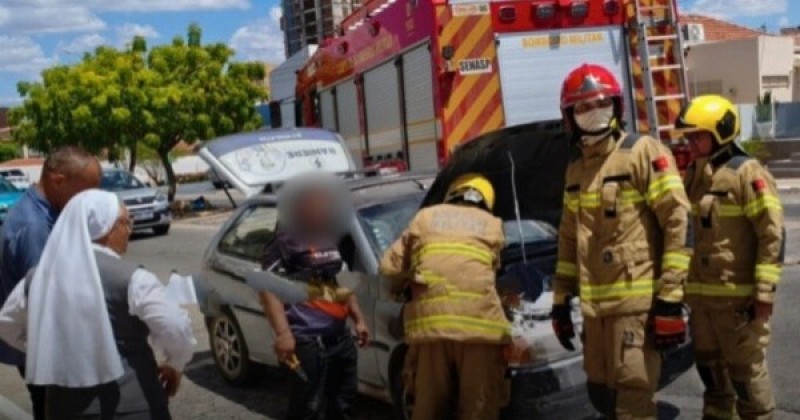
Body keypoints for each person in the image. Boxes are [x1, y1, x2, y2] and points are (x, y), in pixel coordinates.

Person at [551, 63, 691, 419]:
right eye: (582, 107)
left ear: (616, 107)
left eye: (600, 103)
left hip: (636, 310)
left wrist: (670, 299)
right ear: (570, 116)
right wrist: (560, 300)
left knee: (633, 401)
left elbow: (680, 221)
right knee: (601, 397)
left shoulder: (644, 152)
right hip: (595, 316)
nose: (592, 113)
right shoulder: (574, 170)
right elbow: (569, 240)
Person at [0, 189, 195, 419]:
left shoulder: (38, 278)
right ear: (105, 228)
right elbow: (176, 327)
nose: (129, 229)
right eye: (124, 221)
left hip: (63, 408)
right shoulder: (132, 278)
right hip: (132, 405)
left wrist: (48, 349)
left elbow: (7, 324)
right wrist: (175, 364)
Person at [675, 95, 783, 420]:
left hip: (739, 307)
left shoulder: (746, 174)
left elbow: (772, 234)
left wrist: (764, 294)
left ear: (721, 131)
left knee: (747, 381)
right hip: (703, 305)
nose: (691, 142)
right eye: (688, 136)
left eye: (698, 135)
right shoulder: (695, 175)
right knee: (713, 381)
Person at [379, 173, 510, 420]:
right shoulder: (493, 225)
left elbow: (389, 268)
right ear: (486, 201)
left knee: (429, 409)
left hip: (431, 331)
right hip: (480, 332)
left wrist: (404, 288)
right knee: (478, 410)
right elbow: (491, 273)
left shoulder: (425, 217)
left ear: (452, 194)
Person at [0, 145, 102, 420]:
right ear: (58, 181)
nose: (91, 199)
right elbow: (50, 300)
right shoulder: (35, 227)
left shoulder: (44, 212)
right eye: (87, 190)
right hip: (47, 356)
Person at [259, 174, 370, 420]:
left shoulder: (328, 239)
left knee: (343, 401)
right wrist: (283, 334)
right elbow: (268, 289)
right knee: (307, 408)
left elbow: (338, 284)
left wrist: (358, 318)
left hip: (340, 338)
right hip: (308, 343)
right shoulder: (283, 243)